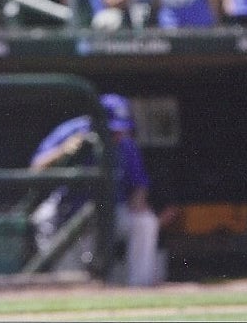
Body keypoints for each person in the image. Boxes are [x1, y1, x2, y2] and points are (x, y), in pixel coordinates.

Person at [29, 93, 162, 286]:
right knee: (44, 220)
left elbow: (139, 183)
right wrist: (62, 151)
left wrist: (138, 201)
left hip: (110, 213)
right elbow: (35, 169)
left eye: (121, 129)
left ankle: (139, 287)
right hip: (67, 213)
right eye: (112, 129)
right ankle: (67, 289)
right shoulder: (71, 131)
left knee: (145, 221)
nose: (117, 135)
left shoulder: (125, 143)